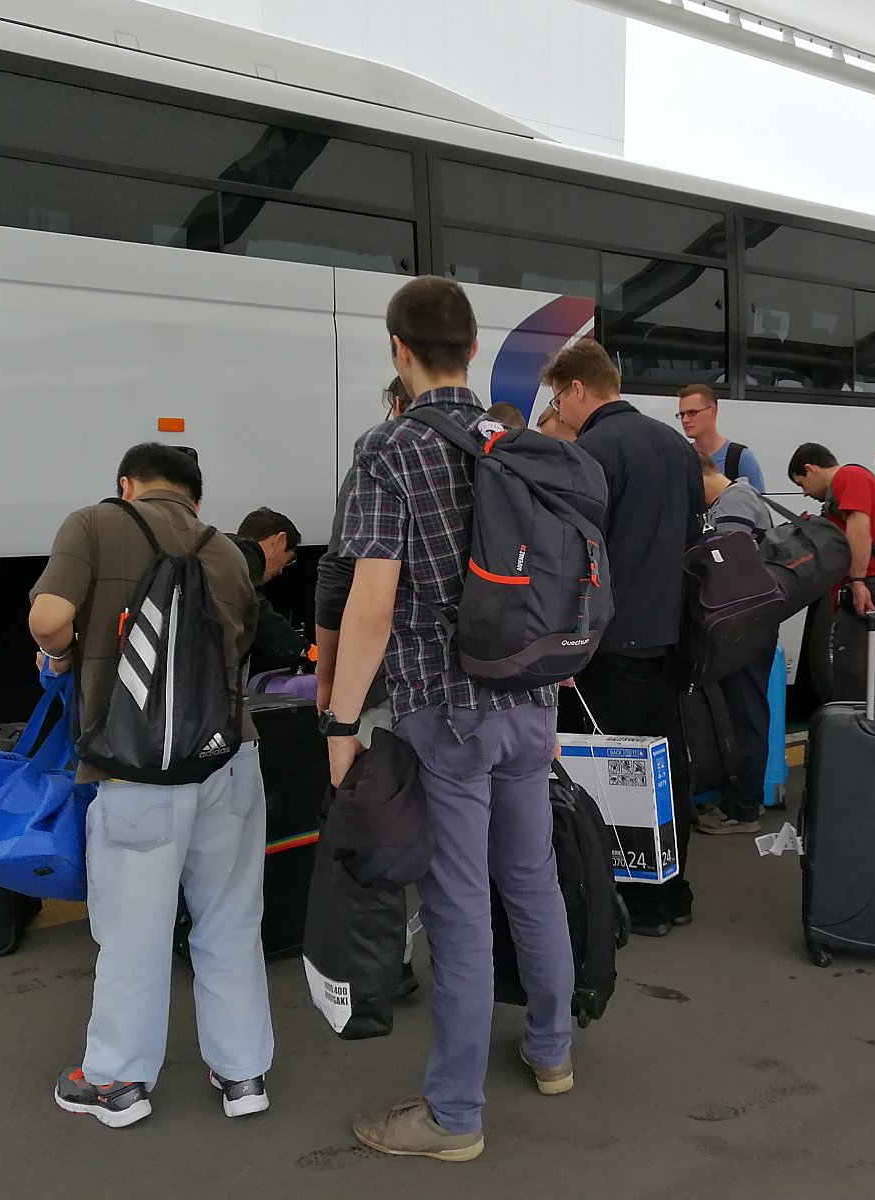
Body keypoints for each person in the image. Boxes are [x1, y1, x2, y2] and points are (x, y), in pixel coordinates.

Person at [326, 277, 573, 1162]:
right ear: (472, 349)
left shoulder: (389, 448)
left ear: (399, 351)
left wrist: (340, 725)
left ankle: (454, 1116)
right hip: (532, 702)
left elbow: (371, 605)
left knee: (460, 908)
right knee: (532, 879)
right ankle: (551, 1051)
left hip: (447, 714)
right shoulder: (519, 441)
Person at [29, 443, 271, 1128]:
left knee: (134, 930)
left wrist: (60, 655)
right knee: (230, 921)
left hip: (136, 767)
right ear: (196, 497)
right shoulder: (226, 550)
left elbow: (49, 618)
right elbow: (241, 645)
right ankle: (243, 1075)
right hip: (229, 757)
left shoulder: (93, 523)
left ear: (127, 484)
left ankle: (117, 1082)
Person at [550, 341, 705, 937]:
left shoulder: (590, 452)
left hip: (609, 641)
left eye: (559, 397)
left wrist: (565, 642)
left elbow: (576, 556)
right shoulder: (676, 446)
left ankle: (636, 900)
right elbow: (692, 538)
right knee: (665, 761)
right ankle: (674, 890)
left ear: (578, 388)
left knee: (614, 769)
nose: (560, 410)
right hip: (670, 633)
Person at [696, 453, 775, 837]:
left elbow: (725, 563)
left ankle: (743, 808)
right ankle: (742, 799)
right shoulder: (730, 501)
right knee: (744, 710)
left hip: (747, 625)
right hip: (748, 622)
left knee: (746, 713)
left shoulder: (736, 501)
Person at [788, 442, 875, 702]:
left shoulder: (848, 477)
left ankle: (856, 725)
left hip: (866, 588)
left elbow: (859, 526)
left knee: (854, 675)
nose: (805, 493)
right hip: (870, 587)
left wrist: (857, 580)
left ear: (811, 469)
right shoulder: (851, 480)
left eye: (801, 484)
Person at [231, 506, 306, 676]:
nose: (281, 571)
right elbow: (257, 612)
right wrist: (304, 651)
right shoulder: (245, 558)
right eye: (289, 559)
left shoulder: (223, 554)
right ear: (280, 540)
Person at [677, 383, 766, 492]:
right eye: (682, 414)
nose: (685, 420)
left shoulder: (740, 458)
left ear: (713, 412)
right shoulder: (683, 458)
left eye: (692, 412)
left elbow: (757, 501)